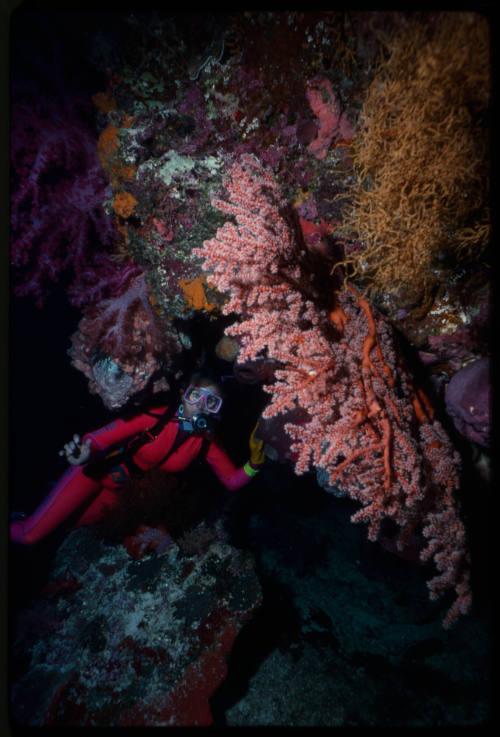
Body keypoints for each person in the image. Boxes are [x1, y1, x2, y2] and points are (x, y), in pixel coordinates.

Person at [10, 373, 266, 546]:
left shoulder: (207, 443)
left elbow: (231, 481)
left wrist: (255, 463)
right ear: (183, 395)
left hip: (119, 491)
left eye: (211, 402)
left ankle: (31, 506)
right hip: (95, 471)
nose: (200, 405)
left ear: (216, 411)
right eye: (195, 396)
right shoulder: (155, 417)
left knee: (68, 526)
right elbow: (100, 438)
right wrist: (86, 451)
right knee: (30, 535)